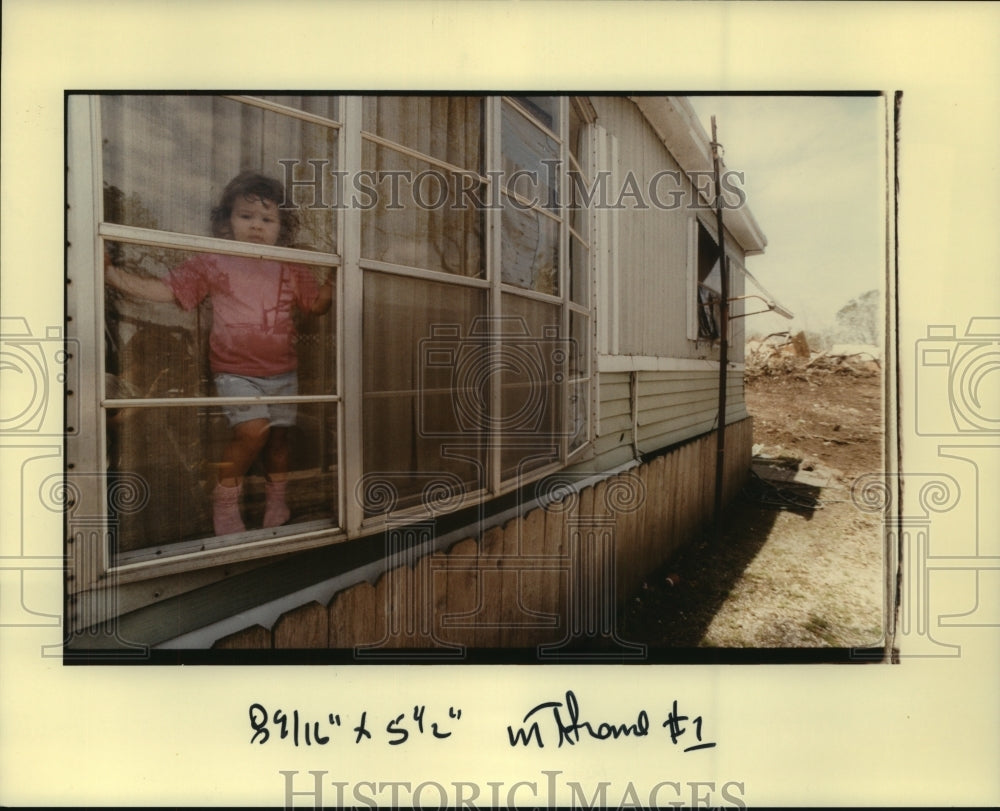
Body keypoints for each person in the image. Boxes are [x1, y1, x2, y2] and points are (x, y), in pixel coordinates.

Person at [105, 171, 333, 536]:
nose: (256, 226)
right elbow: (167, 290)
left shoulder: (291, 265)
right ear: (227, 221)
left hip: (283, 370)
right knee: (254, 431)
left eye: (267, 219)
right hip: (235, 370)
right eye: (246, 216)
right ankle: (224, 499)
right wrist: (114, 277)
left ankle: (277, 502)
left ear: (281, 227)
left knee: (278, 442)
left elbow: (316, 307)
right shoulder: (215, 262)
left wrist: (336, 279)